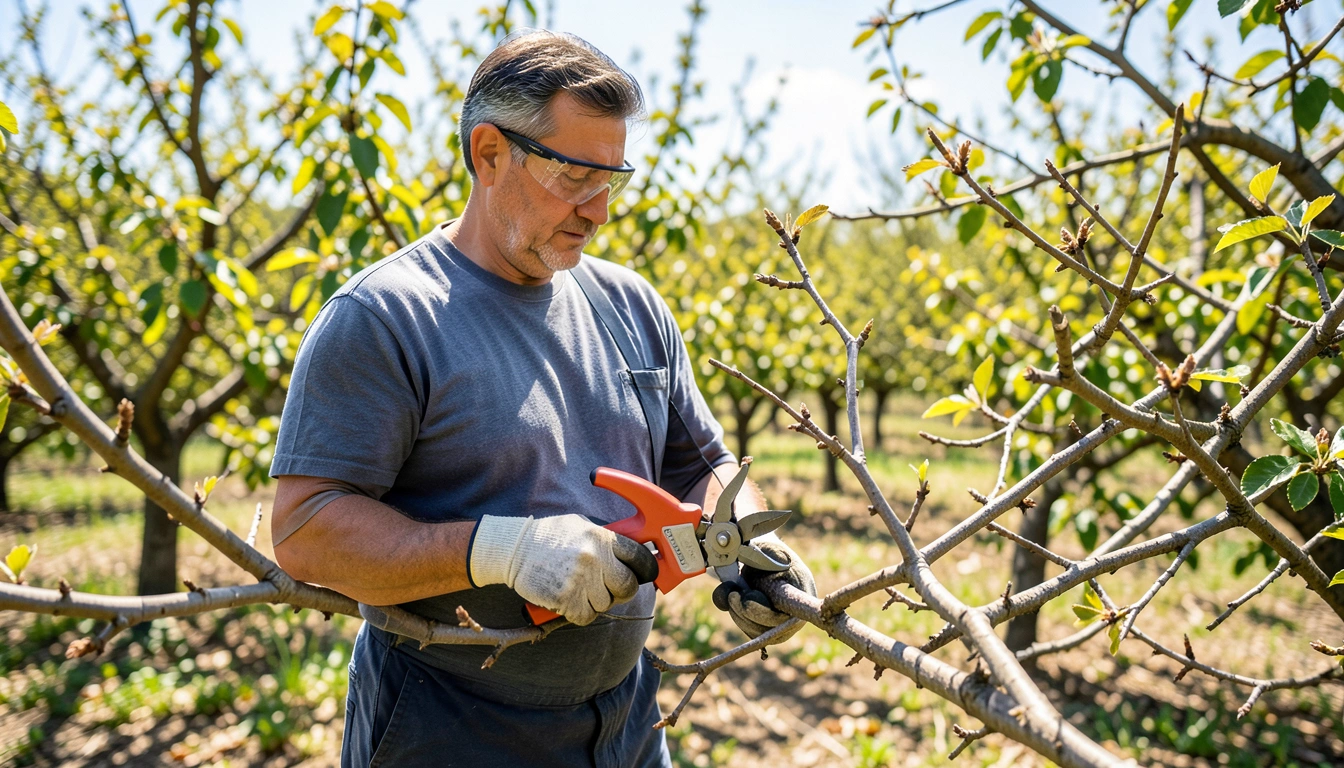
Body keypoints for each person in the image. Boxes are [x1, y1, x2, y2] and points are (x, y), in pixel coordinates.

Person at [268, 29, 815, 768]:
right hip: (448, 724)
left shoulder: (631, 305)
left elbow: (703, 464)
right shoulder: (387, 317)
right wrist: (499, 550)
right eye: (574, 177)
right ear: (489, 154)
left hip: (623, 718)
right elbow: (305, 532)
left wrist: (749, 543)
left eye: (612, 179)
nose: (600, 211)